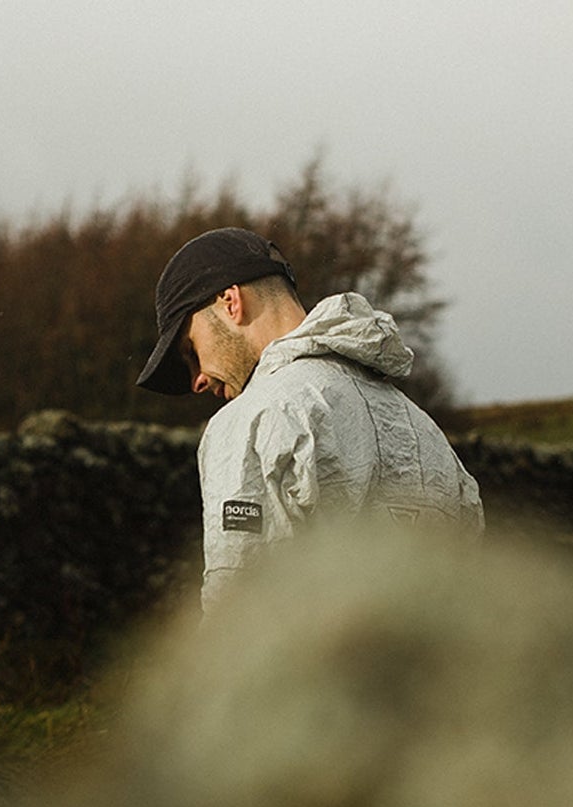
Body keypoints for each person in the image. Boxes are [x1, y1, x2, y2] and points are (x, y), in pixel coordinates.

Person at [137, 227, 484, 611]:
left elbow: (237, 605)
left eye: (190, 351)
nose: (197, 380)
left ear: (231, 302)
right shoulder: (422, 428)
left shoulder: (254, 419)